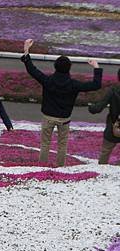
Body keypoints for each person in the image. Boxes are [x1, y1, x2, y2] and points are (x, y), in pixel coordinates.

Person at [21, 38, 103, 167]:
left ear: (55, 67)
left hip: (48, 117)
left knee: (45, 143)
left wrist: (26, 50)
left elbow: (32, 70)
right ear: (69, 68)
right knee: (62, 144)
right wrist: (96, 67)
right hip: (64, 118)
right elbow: (96, 85)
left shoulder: (47, 81)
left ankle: (42, 166)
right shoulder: (74, 85)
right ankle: (60, 168)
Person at [89, 68, 120, 165]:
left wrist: (91, 107)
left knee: (105, 152)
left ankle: (102, 170)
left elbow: (99, 107)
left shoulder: (113, 90)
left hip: (113, 126)